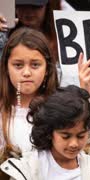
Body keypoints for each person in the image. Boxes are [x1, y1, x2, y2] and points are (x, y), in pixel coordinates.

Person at [0, 85, 90, 180]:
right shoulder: (29, 167)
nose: (74, 143)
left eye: (80, 136)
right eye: (66, 136)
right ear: (49, 132)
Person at [0, 27, 59, 156]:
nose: (26, 73)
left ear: (48, 69)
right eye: (18, 65)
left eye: (35, 65)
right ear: (6, 68)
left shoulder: (59, 110)